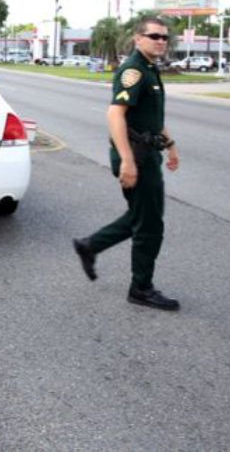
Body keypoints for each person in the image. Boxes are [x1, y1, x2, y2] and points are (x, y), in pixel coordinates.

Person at [73, 17, 181, 311]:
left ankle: (90, 245)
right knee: (150, 225)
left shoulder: (149, 68)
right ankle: (141, 288)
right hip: (136, 157)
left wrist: (170, 146)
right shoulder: (134, 70)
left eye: (164, 38)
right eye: (154, 36)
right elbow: (114, 115)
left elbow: (152, 119)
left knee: (141, 216)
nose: (161, 41)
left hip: (147, 154)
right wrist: (128, 162)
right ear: (138, 38)